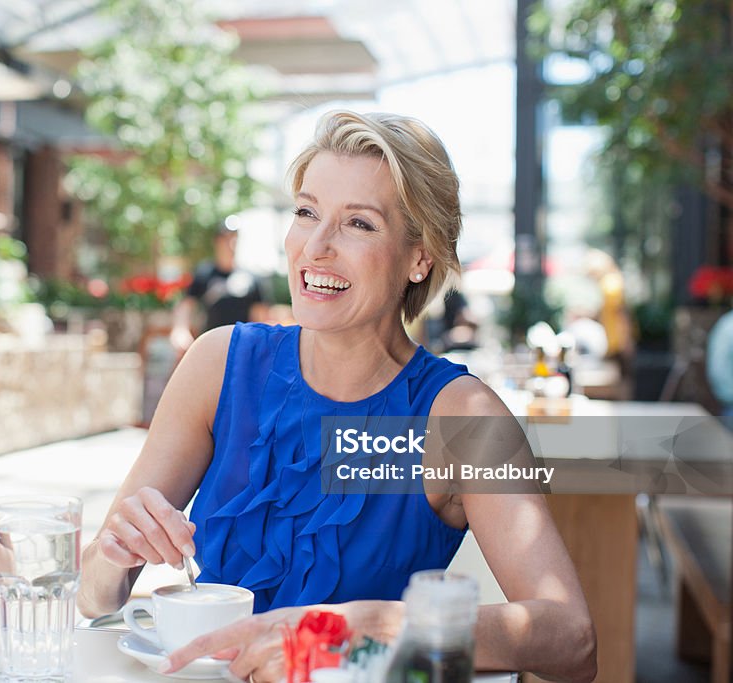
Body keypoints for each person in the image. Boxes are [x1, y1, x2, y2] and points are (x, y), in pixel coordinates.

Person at [78, 111, 596, 682]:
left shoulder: (460, 415)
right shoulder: (218, 363)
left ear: (419, 257)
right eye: (306, 213)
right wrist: (112, 555)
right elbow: (93, 598)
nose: (316, 247)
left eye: (359, 224)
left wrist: (372, 627)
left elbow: (571, 639)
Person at [169, 224, 270, 354]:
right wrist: (180, 330)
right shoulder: (204, 273)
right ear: (216, 242)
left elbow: (260, 315)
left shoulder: (251, 277)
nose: (230, 243)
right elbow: (186, 305)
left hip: (242, 347)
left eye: (233, 238)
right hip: (210, 343)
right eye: (225, 239)